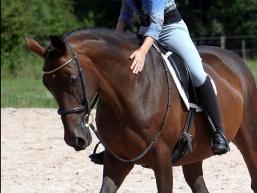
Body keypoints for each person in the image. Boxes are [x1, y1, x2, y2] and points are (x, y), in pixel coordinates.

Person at [92, 0, 229, 164]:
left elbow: (157, 25)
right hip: (144, 31)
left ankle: (218, 131)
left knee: (198, 74)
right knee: (120, 74)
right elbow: (125, 15)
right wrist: (114, 41)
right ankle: (114, 144)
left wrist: (142, 52)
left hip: (171, 30)